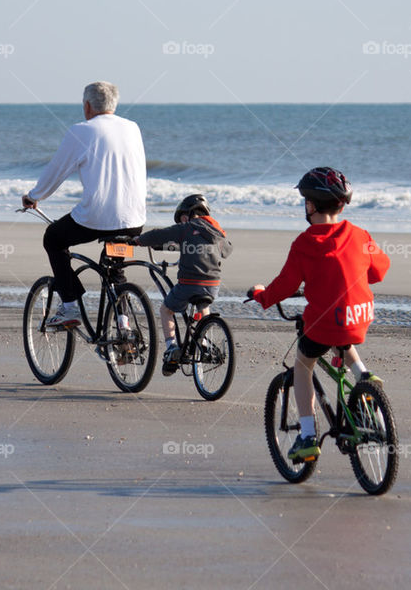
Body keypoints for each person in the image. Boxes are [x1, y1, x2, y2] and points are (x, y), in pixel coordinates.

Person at [250, 167, 389, 461]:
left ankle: (308, 435)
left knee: (303, 363)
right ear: (341, 204)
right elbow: (380, 269)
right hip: (360, 316)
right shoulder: (360, 234)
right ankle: (363, 376)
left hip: (327, 323)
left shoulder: (305, 243)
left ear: (310, 205)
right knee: (342, 330)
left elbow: (285, 285)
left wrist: (263, 296)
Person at [22, 81, 147, 327]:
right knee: (114, 270)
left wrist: (35, 196)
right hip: (134, 220)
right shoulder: (132, 128)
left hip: (97, 218)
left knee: (54, 239)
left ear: (87, 106)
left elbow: (56, 171)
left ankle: (70, 306)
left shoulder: (82, 131)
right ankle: (124, 328)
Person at [133, 194, 232, 375]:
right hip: (213, 285)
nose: (182, 221)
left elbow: (159, 234)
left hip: (188, 284)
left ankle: (172, 347)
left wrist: (139, 240)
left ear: (188, 214)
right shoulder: (217, 232)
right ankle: (202, 343)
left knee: (166, 310)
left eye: (182, 217)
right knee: (204, 306)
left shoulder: (186, 228)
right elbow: (227, 251)